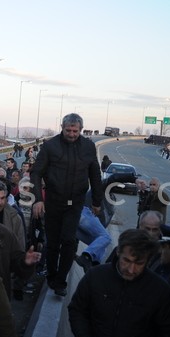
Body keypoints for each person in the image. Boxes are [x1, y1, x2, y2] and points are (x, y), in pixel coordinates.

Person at [30, 113, 104, 296]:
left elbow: (95, 174)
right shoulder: (50, 146)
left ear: (81, 130)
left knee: (69, 240)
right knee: (53, 243)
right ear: (62, 128)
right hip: (54, 201)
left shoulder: (88, 146)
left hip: (76, 202)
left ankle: (61, 281)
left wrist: (97, 201)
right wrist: (38, 199)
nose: (71, 134)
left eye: (75, 131)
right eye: (68, 130)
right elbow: (36, 173)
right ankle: (52, 276)